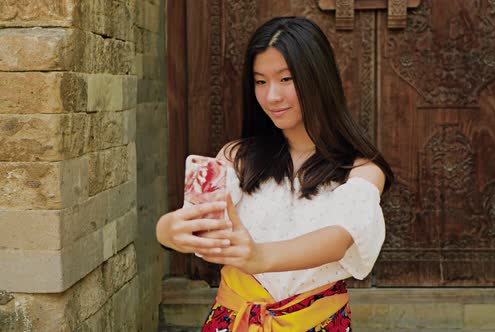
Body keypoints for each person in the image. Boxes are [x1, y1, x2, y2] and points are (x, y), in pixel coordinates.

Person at [156, 16, 394, 331]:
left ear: (317, 79)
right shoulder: (237, 157)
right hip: (235, 319)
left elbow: (338, 238)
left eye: (286, 79)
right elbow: (200, 218)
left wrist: (261, 257)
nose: (272, 96)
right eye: (260, 81)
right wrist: (168, 230)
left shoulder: (362, 170)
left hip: (317, 323)